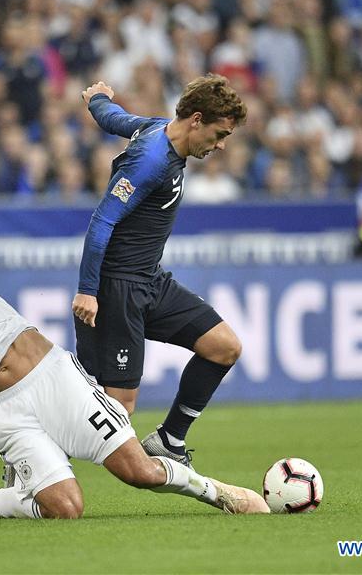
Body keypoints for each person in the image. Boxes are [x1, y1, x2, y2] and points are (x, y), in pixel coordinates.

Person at [0, 234, 268, 519]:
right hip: (0, 415)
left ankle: (220, 494)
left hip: (52, 378)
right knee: (66, 509)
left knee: (139, 472)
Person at [72, 76, 247, 468]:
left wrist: (97, 98)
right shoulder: (151, 159)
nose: (221, 145)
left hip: (151, 280)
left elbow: (114, 117)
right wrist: (87, 289)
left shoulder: (155, 129)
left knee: (224, 346)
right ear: (197, 120)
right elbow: (102, 222)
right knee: (118, 410)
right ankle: (30, 453)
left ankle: (170, 440)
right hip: (118, 287)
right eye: (220, 134)